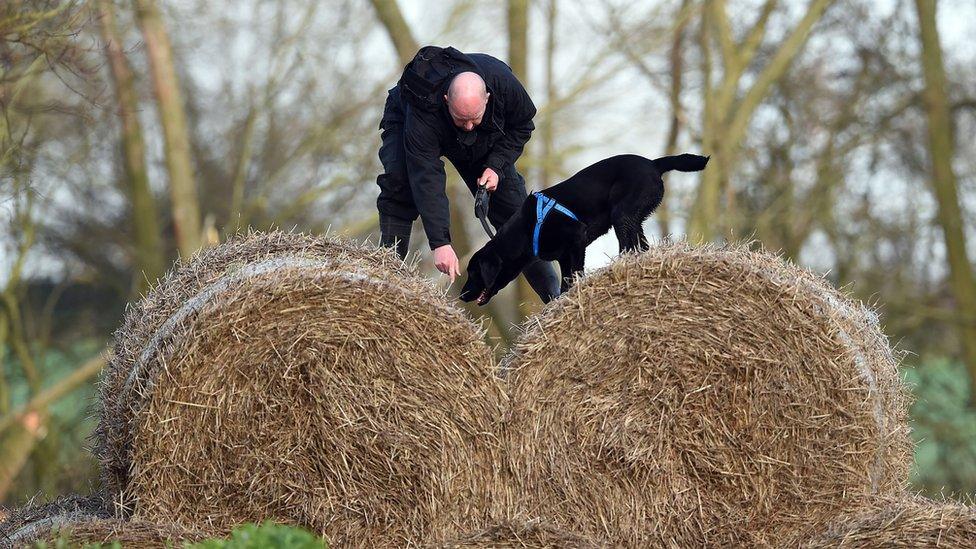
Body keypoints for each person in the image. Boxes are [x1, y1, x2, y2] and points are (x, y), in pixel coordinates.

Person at [375, 46, 560, 303]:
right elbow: (426, 176)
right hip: (407, 116)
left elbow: (522, 126)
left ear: (487, 97)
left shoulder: (503, 83)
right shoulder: (424, 111)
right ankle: (384, 277)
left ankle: (557, 300)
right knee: (400, 185)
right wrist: (440, 243)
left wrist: (495, 166)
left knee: (515, 214)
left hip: (483, 142)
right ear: (446, 101)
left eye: (475, 117)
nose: (470, 125)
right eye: (463, 120)